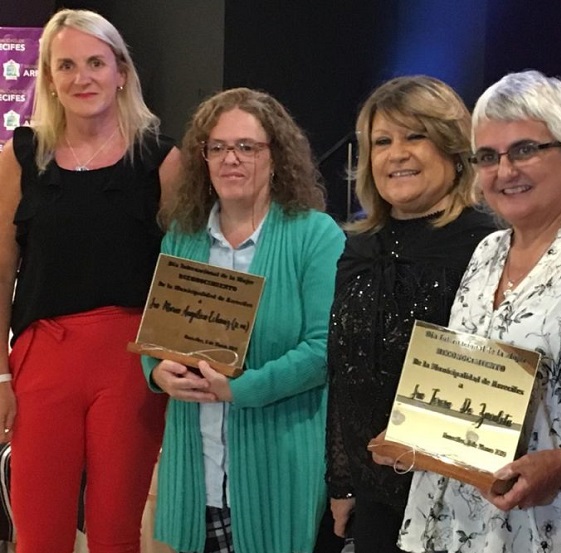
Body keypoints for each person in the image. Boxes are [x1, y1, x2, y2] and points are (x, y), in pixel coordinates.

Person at [393, 70, 561, 553]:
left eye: (524, 150)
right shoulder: (488, 252)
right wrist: (419, 424)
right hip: (465, 523)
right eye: (488, 157)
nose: (505, 171)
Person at [0, 9, 180, 552]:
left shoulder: (160, 159)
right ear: (50, 80)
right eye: (67, 65)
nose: (83, 78)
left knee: (115, 530)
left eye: (96, 62)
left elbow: (186, 270)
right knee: (38, 529)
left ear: (120, 70)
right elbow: (0, 268)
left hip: (130, 361)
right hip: (42, 358)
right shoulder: (21, 156)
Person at [142, 87, 344, 553]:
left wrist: (242, 388)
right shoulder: (183, 237)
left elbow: (322, 349)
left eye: (247, 147)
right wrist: (157, 371)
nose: (231, 159)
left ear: (276, 156)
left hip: (279, 469)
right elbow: (158, 336)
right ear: (204, 159)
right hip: (197, 470)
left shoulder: (315, 235)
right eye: (218, 147)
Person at [324, 75, 497, 553]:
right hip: (375, 488)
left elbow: (492, 375)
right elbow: (343, 370)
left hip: (457, 492)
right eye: (382, 141)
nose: (395, 153)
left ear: (453, 148)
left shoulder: (489, 241)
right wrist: (343, 482)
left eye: (414, 136)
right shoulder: (356, 247)